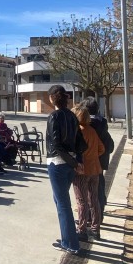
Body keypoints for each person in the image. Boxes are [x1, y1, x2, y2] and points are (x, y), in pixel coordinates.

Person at [46, 85, 87, 255]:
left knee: (63, 204)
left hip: (58, 163)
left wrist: (74, 163)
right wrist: (78, 161)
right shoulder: (72, 116)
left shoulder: (54, 116)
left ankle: (71, 243)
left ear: (51, 98)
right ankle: (66, 239)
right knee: (59, 201)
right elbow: (80, 142)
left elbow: (56, 145)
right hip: (70, 164)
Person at [72, 105, 105, 241]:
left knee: (82, 201)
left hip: (82, 171)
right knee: (94, 199)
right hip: (95, 169)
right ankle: (96, 229)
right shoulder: (92, 131)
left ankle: (82, 229)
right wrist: (93, 156)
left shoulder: (78, 131)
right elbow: (101, 148)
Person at [81, 96, 114, 218]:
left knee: (90, 189)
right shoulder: (102, 122)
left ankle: (93, 214)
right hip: (102, 158)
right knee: (99, 183)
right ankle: (100, 206)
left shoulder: (89, 124)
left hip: (91, 159)